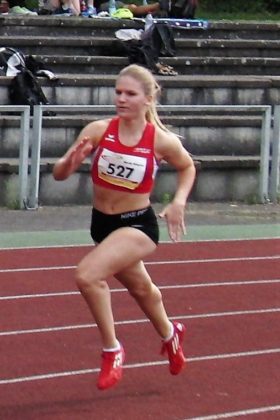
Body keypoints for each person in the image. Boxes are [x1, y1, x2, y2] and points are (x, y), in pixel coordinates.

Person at [53, 63, 196, 391]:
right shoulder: (99, 130)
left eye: (130, 93)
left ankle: (112, 350)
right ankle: (171, 336)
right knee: (142, 290)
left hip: (138, 226)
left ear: (148, 99)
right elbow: (59, 174)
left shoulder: (161, 140)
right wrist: (69, 163)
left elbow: (187, 167)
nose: (121, 98)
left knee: (87, 276)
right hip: (102, 225)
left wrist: (178, 202)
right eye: (118, 92)